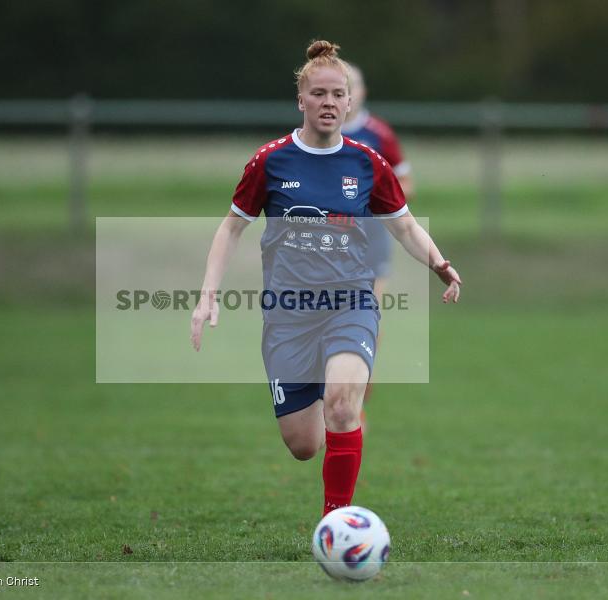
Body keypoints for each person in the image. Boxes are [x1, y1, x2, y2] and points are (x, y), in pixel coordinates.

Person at [191, 40, 461, 517]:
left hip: (350, 302)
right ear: (302, 100)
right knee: (303, 445)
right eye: (318, 94)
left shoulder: (366, 162)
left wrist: (439, 264)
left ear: (350, 101)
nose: (329, 102)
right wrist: (207, 295)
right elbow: (231, 227)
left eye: (338, 94)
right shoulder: (271, 161)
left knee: (342, 405)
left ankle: (335, 525)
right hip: (288, 314)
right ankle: (320, 394)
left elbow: (404, 225)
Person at [341, 63, 415, 413]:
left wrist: (372, 201)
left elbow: (406, 186)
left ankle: (359, 382)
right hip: (326, 241)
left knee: (369, 310)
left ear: (361, 93)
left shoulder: (379, 134)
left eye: (349, 87)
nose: (343, 96)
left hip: (371, 237)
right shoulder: (313, 135)